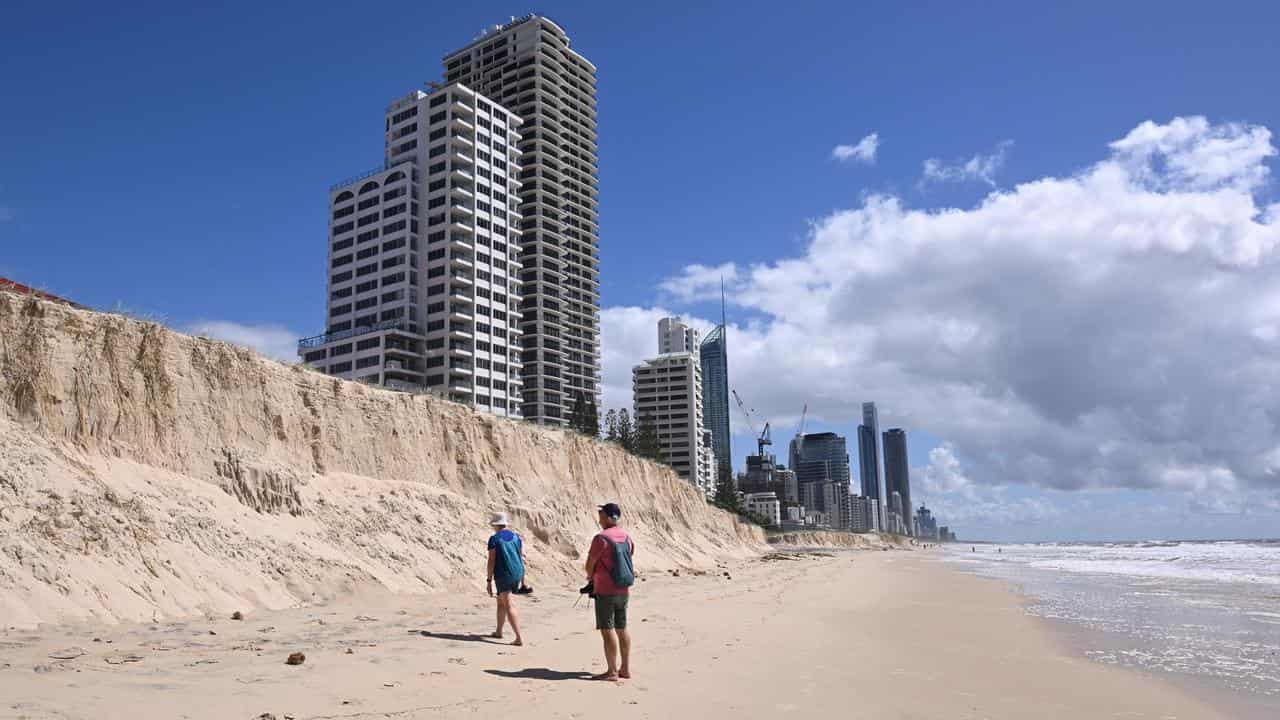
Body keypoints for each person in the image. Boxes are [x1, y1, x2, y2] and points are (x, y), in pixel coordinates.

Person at [584, 502, 635, 681]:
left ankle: (612, 671)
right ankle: (625, 668)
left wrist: (590, 578)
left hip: (605, 590)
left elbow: (590, 564)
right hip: (624, 589)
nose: (599, 516)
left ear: (606, 517)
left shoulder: (601, 538)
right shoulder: (627, 537)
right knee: (622, 628)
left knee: (607, 629)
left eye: (601, 513)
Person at [486, 512, 525, 646]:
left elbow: (491, 561)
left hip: (504, 573)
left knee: (508, 602)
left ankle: (518, 637)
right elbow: (520, 557)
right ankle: (499, 631)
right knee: (501, 601)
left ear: (495, 525)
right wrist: (524, 580)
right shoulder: (516, 537)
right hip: (517, 572)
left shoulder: (494, 539)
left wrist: (489, 581)